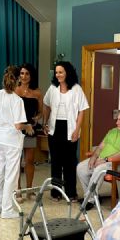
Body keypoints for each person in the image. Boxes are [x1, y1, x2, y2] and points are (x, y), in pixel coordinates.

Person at [0, 66, 33, 219]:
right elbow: (18, 125)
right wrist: (28, 126)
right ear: (18, 79)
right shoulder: (17, 100)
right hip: (11, 141)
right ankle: (7, 210)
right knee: (11, 175)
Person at [42, 61, 89, 201]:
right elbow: (46, 105)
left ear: (67, 72)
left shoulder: (76, 89)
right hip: (54, 128)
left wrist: (77, 129)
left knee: (69, 162)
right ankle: (56, 193)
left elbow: (82, 111)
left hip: (70, 128)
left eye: (61, 72)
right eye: (56, 72)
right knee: (55, 161)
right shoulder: (52, 88)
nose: (58, 75)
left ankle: (71, 193)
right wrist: (44, 123)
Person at [76, 110, 120, 209]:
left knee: (99, 169)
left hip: (118, 163)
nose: (117, 123)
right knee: (81, 167)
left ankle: (89, 200)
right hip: (102, 159)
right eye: (117, 120)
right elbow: (100, 147)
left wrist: (105, 160)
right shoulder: (112, 131)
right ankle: (93, 197)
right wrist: (93, 157)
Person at [14, 63, 43, 197]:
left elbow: (41, 112)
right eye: (22, 73)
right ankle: (18, 190)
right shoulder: (14, 90)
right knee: (16, 161)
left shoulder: (37, 92)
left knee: (29, 160)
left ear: (31, 76)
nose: (24, 76)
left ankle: (29, 190)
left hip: (31, 129)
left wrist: (37, 118)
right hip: (16, 129)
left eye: (27, 73)